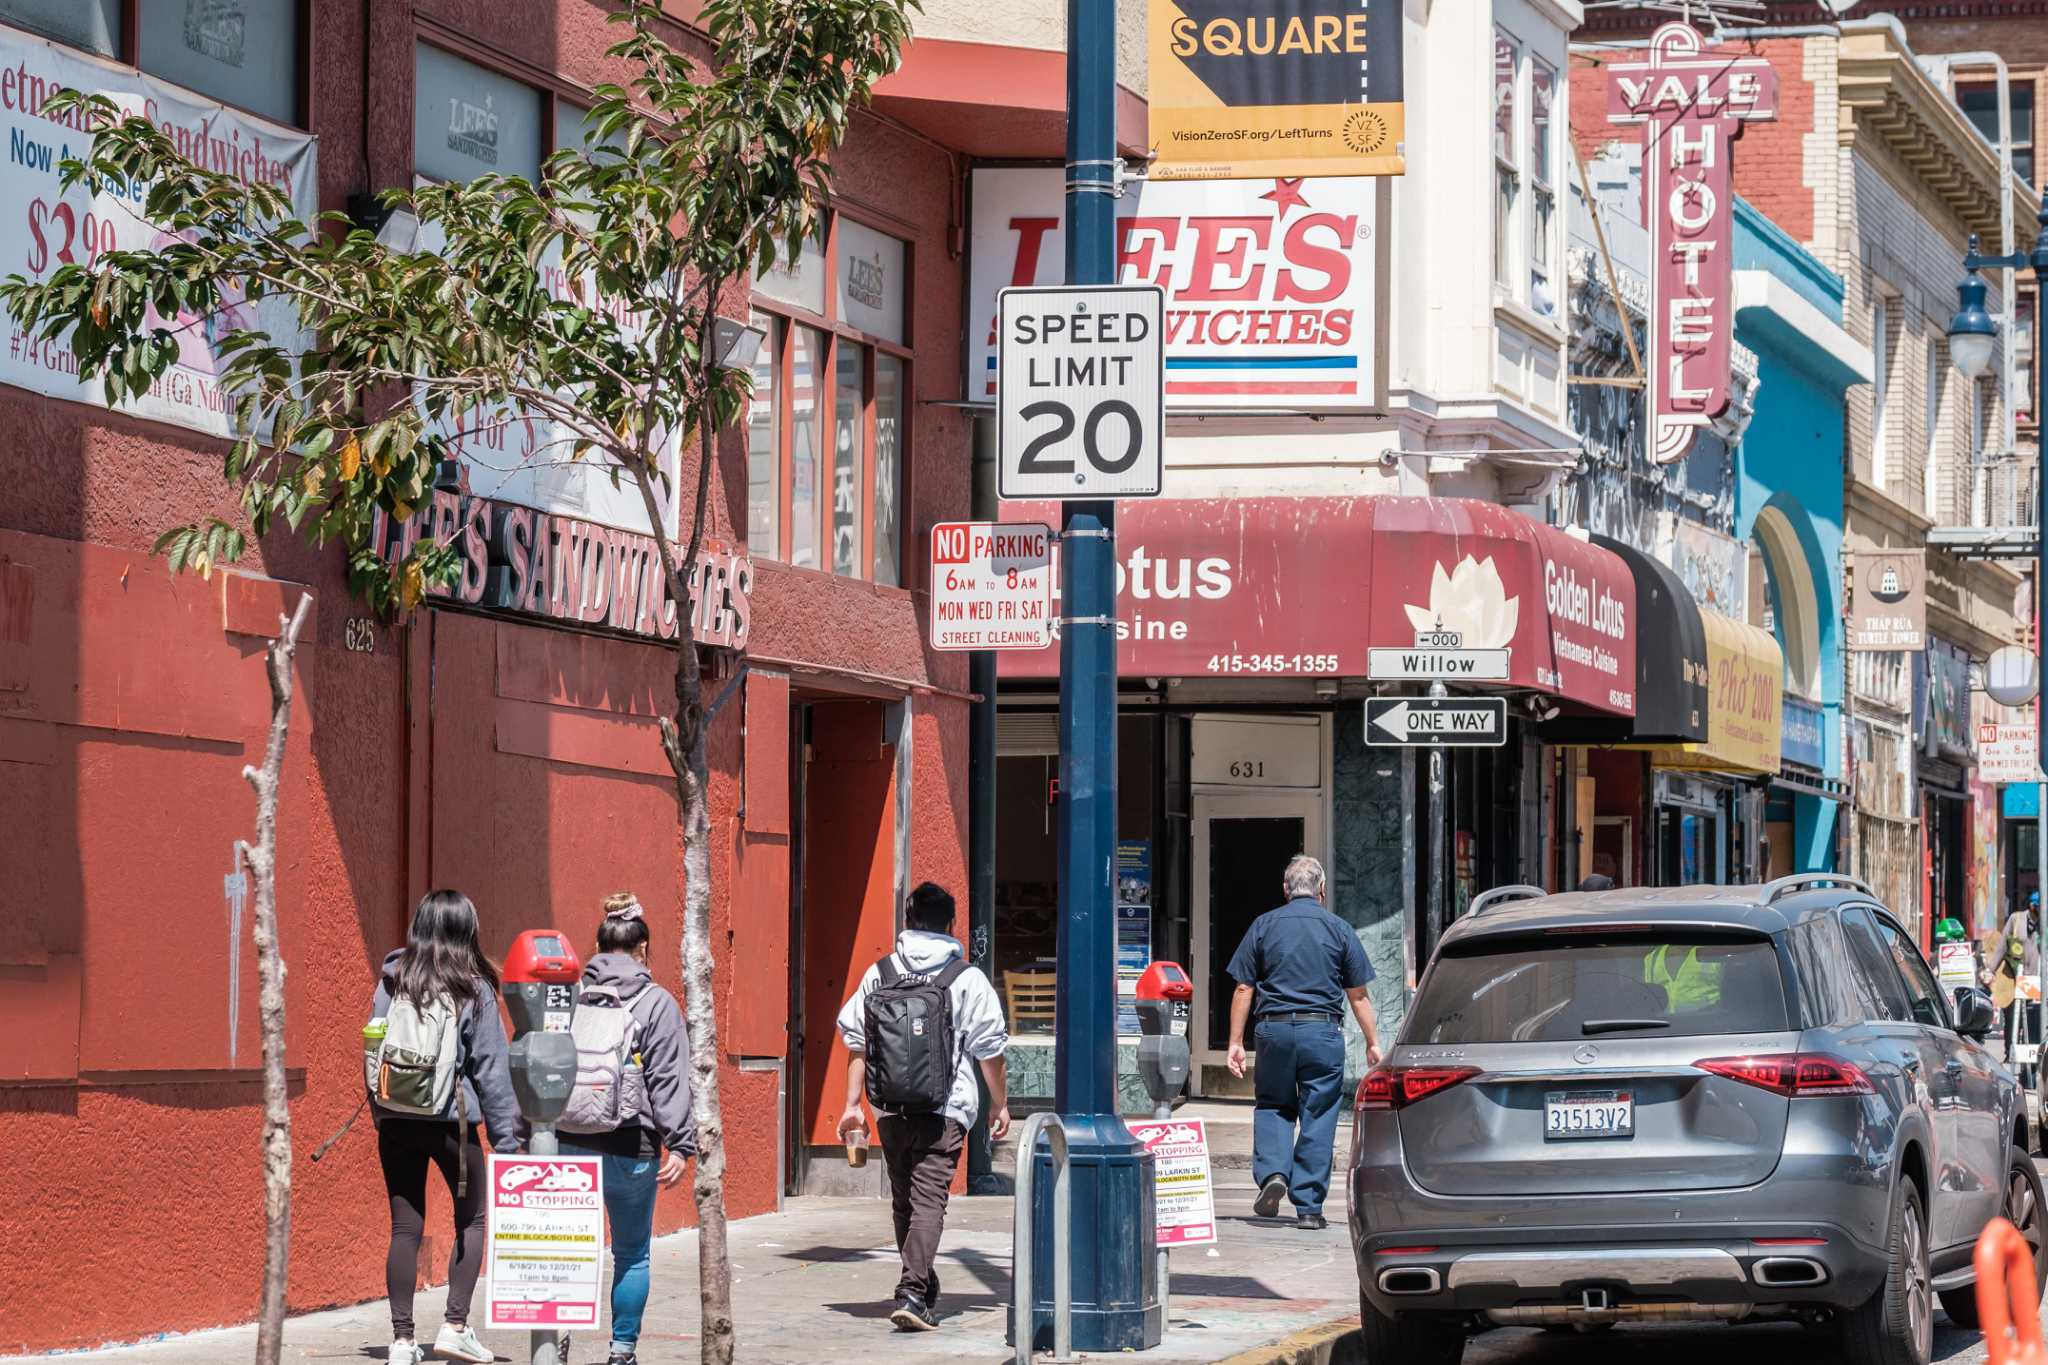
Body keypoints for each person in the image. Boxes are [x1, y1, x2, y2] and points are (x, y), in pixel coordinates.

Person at [835, 882, 1011, 1332]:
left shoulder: (880, 973)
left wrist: (852, 1104)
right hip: (945, 1110)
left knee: (905, 1202)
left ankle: (921, 1284)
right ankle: (914, 1292)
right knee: (929, 1201)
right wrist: (999, 1105)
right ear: (951, 925)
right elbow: (989, 1048)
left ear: (908, 921)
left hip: (890, 1109)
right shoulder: (965, 978)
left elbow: (856, 1043)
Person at [369, 890, 525, 1365]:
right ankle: (456, 1326)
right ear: (466, 931)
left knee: (405, 1225)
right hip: (450, 1122)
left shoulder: (392, 979)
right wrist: (508, 1144)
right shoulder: (472, 986)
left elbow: (374, 1047)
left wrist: (383, 1112)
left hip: (396, 1117)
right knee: (472, 1218)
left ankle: (400, 1341)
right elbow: (492, 1072)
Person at [558, 893, 696, 1365]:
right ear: (644, 949)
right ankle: (621, 1352)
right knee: (632, 1253)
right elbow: (669, 1077)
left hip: (568, 1141)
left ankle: (556, 1346)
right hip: (631, 1143)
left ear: (597, 945)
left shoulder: (571, 996)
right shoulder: (657, 1003)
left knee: (569, 1250)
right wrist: (679, 1142)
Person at [1226, 854, 1381, 1231]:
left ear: (1285, 889)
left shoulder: (1263, 925)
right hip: (1322, 1032)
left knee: (1273, 1105)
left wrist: (1235, 1042)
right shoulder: (1339, 929)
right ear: (1322, 890)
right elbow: (1358, 995)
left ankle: (1274, 1175)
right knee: (1320, 1113)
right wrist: (1373, 1042)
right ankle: (1309, 1208)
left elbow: (1244, 986)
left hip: (1274, 1030)